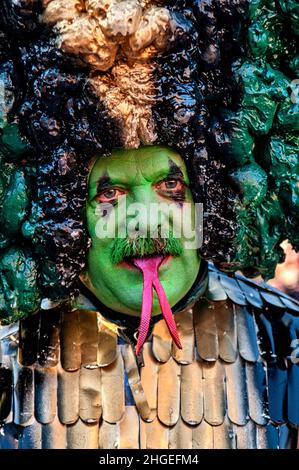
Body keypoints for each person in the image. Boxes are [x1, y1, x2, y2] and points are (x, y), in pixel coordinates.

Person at [0, 0, 298, 449]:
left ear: (210, 196)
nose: (147, 221)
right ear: (62, 215)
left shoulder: (289, 348)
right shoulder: (7, 368)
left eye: (170, 187)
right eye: (110, 194)